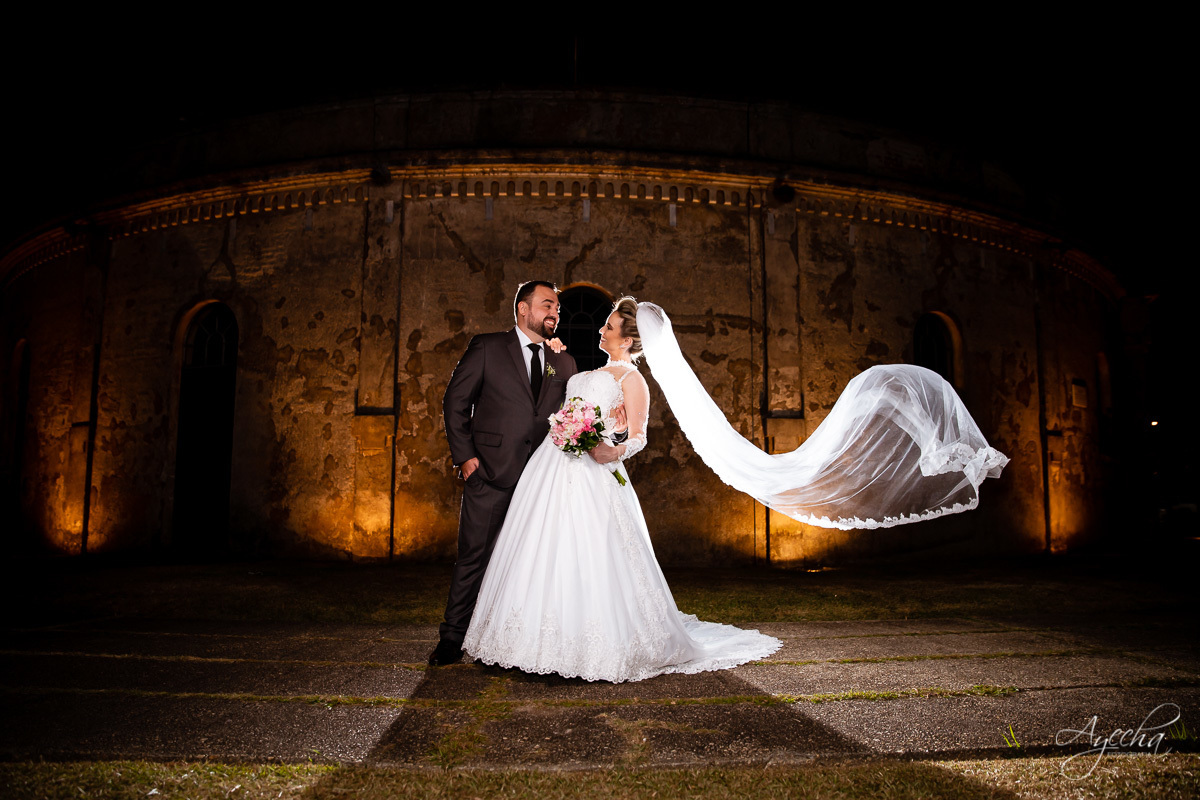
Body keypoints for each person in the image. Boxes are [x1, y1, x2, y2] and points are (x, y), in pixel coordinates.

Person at [462, 297, 783, 682]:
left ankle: (589, 645)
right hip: (550, 467)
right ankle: (524, 640)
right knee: (540, 546)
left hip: (591, 472)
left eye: (609, 327)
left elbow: (637, 436)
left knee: (589, 551)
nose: (601, 330)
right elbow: (563, 399)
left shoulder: (634, 381)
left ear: (627, 341)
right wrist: (553, 355)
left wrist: (612, 446)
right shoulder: (590, 370)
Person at [429, 280, 579, 666]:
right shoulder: (487, 347)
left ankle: (506, 642)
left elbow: (568, 415)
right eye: (547, 304)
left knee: (530, 564)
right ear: (523, 310)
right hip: (490, 475)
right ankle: (452, 638)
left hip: (543, 482)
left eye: (558, 309)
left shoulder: (563, 361)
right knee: (474, 557)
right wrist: (466, 459)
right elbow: (455, 402)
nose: (555, 313)